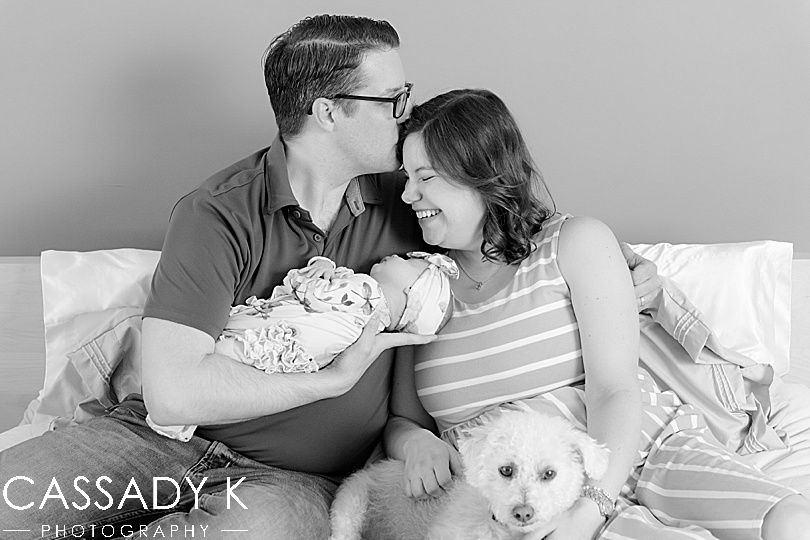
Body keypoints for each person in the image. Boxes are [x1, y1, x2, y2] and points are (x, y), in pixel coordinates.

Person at [0, 15, 659, 539]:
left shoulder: (413, 203)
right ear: (328, 112)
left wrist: (636, 274)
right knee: (11, 504)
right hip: (158, 442)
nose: (409, 110)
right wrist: (332, 379)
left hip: (292, 482)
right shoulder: (218, 211)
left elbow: (506, 217)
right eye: (392, 98)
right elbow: (173, 395)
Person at [384, 88, 810, 540]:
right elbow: (402, 420)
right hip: (522, 496)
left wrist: (594, 505)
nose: (409, 194)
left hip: (645, 450)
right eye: (407, 176)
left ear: (481, 175)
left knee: (789, 524)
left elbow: (615, 389)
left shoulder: (574, 242)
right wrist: (416, 443)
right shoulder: (421, 285)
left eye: (424, 177)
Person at [147, 251, 458, 442]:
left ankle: (177, 409)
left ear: (410, 292)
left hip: (279, 329)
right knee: (237, 360)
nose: (396, 256)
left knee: (223, 348)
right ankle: (182, 417)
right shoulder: (370, 328)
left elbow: (312, 292)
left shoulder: (367, 291)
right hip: (294, 357)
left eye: (407, 262)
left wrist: (319, 268)